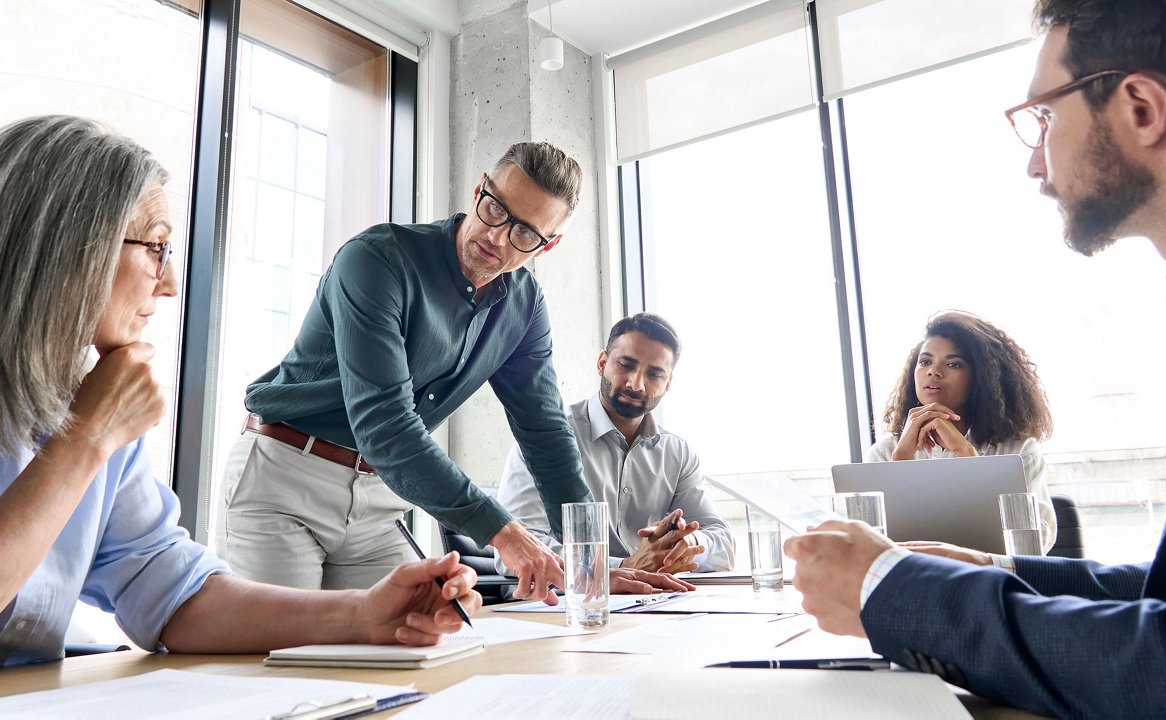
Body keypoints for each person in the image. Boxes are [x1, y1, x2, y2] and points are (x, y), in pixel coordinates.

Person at [784, 1, 1166, 716]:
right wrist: (1001, 570)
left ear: (1141, 106)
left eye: (1043, 118)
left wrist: (889, 591)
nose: (1033, 161)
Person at [0, 115, 481, 667]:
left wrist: (362, 615)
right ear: (69, 249)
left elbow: (170, 591)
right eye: (156, 247)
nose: (172, 281)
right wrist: (87, 439)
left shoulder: (94, 405)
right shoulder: (99, 419)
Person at [220, 141, 681, 602]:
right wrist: (503, 532)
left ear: (549, 244)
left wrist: (590, 565)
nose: (497, 237)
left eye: (525, 234)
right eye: (495, 209)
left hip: (378, 500)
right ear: (480, 188)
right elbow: (386, 426)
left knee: (417, 650)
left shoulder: (524, 305)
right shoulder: (377, 260)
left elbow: (545, 434)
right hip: (285, 480)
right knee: (282, 661)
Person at [498, 313, 734, 576]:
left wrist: (688, 544)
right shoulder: (545, 436)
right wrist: (622, 568)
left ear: (667, 384)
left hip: (650, 603)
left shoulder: (677, 453)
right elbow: (516, 548)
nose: (636, 384)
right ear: (602, 362)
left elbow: (723, 545)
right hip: (565, 604)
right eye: (625, 365)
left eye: (654, 374)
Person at [868, 311, 1056, 550]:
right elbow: (869, 550)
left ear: (981, 378)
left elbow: (1033, 545)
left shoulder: (1017, 451)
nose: (933, 371)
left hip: (989, 581)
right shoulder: (886, 452)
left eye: (953, 364)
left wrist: (968, 456)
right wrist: (900, 464)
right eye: (925, 361)